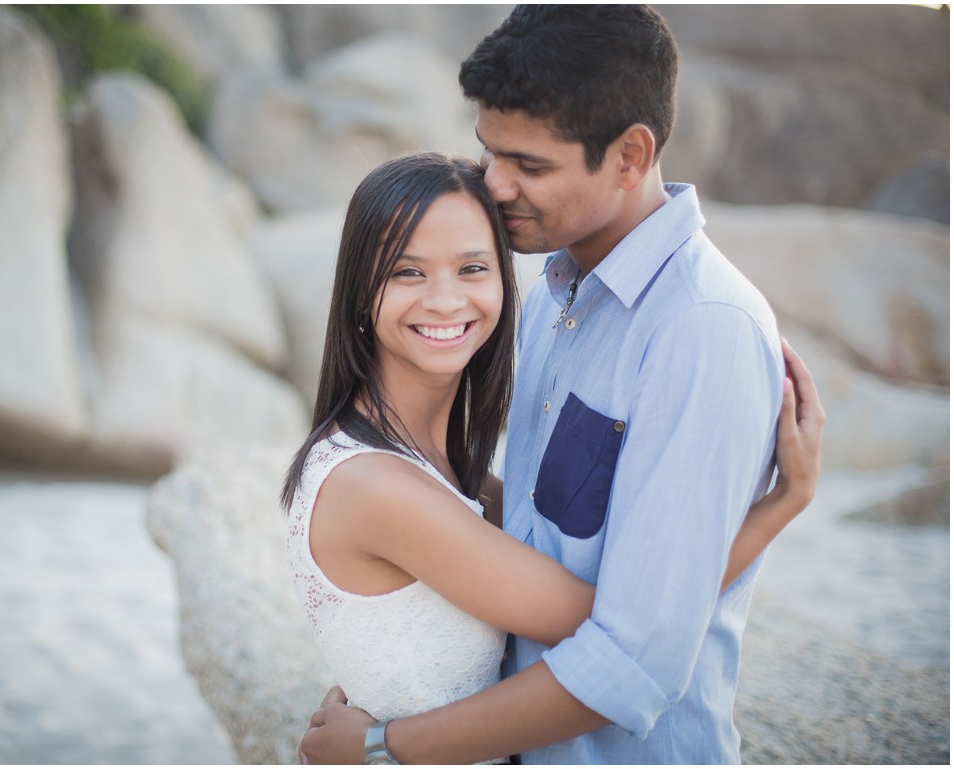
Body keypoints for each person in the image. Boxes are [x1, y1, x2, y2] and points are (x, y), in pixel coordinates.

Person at [297, 6, 827, 765]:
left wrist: (385, 745)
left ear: (630, 156)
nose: (495, 183)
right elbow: (545, 539)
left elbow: (636, 655)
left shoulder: (700, 330)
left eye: (530, 165)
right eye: (489, 151)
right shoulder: (551, 295)